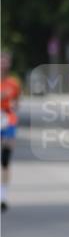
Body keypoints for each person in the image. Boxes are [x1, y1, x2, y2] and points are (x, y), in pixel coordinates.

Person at [1, 52, 22, 212]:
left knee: (5, 159)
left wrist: (14, 106)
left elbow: (17, 102)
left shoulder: (14, 83)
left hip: (8, 121)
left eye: (6, 62)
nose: (3, 65)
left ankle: (4, 196)